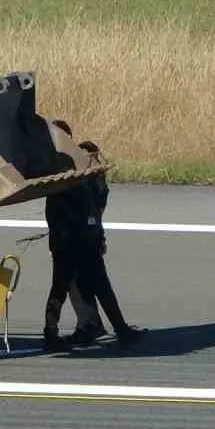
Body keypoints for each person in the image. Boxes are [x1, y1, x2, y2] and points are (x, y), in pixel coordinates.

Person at [65, 138, 145, 348]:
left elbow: (91, 214)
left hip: (81, 240)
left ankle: (98, 327)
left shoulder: (85, 181)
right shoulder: (95, 179)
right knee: (91, 285)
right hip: (88, 238)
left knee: (84, 284)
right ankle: (105, 326)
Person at [42, 121, 102, 350]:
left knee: (78, 284)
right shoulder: (59, 165)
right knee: (63, 285)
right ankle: (51, 331)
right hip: (66, 238)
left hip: (76, 236)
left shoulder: (71, 163)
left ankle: (89, 324)